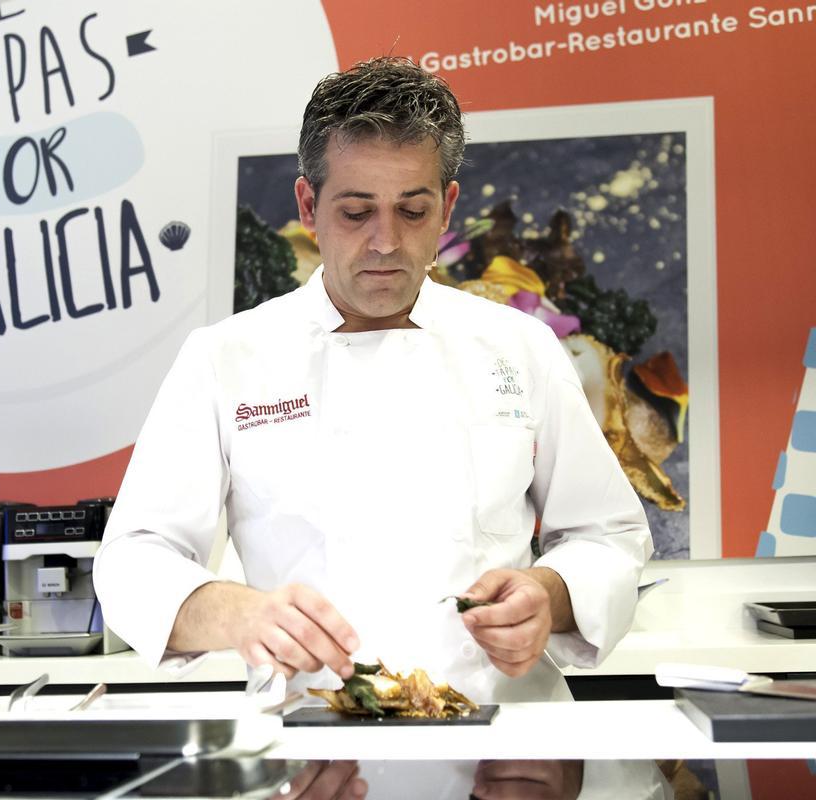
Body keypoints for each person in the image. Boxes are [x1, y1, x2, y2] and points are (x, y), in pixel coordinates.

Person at [94, 58, 651, 703]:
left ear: (446, 209)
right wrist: (241, 614)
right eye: (356, 212)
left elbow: (606, 535)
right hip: (313, 740)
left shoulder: (520, 347)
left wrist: (549, 596)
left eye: (411, 211)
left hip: (505, 739)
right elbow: (135, 560)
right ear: (308, 205)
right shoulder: (226, 358)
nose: (386, 243)